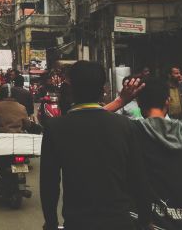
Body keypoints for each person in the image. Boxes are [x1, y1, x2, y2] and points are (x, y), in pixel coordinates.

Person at [40, 60, 149, 230]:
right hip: (120, 221)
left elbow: (49, 183)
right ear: (104, 91)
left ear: (70, 91)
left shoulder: (55, 129)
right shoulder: (126, 126)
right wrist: (144, 220)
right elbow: (139, 179)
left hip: (78, 222)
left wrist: (51, 222)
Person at [133, 77, 182, 230]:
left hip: (143, 222)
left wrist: (122, 100)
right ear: (168, 101)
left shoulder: (131, 133)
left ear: (139, 103)